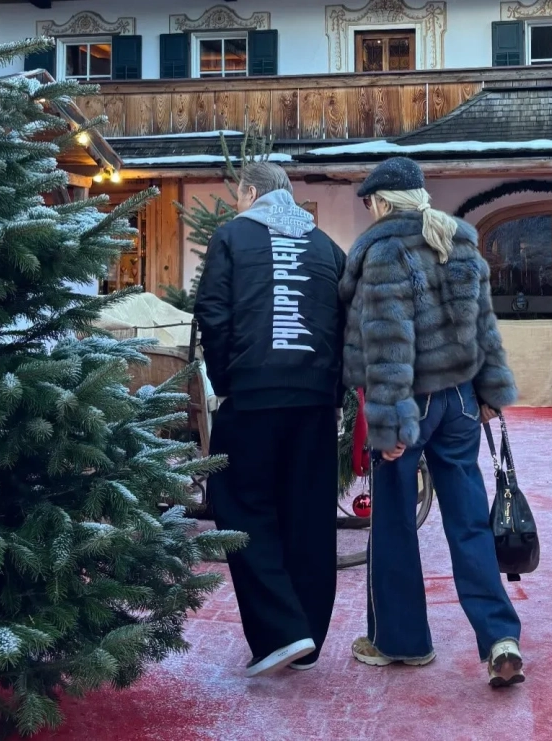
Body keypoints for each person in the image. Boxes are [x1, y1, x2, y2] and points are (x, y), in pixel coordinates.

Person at [340, 156, 525, 688]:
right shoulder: (458, 240)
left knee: (395, 521)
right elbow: (485, 326)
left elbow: (388, 343)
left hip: (410, 402)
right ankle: (500, 637)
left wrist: (389, 424)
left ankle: (402, 643)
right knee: (469, 521)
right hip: (462, 401)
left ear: (382, 202)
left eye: (370, 202)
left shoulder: (385, 250)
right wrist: (490, 392)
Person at [194, 162, 346, 677]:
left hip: (253, 394)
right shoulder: (325, 246)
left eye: (239, 195)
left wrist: (225, 380)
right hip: (315, 398)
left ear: (251, 192)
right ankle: (308, 636)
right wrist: (334, 389)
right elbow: (345, 320)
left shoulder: (233, 237)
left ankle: (282, 631)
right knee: (309, 512)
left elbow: (213, 312)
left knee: (237, 502)